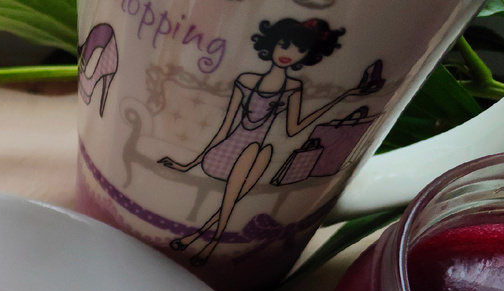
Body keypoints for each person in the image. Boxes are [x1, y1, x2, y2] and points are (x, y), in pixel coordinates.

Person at [159, 17, 378, 266]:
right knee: (231, 198)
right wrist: (190, 164)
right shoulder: (246, 82)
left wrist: (343, 97)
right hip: (232, 147)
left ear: (307, 56)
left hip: (258, 151)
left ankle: (202, 242)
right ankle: (205, 243)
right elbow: (224, 128)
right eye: (284, 44)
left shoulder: (293, 88)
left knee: (235, 193)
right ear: (272, 43)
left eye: (300, 50)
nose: (289, 53)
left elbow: (294, 128)